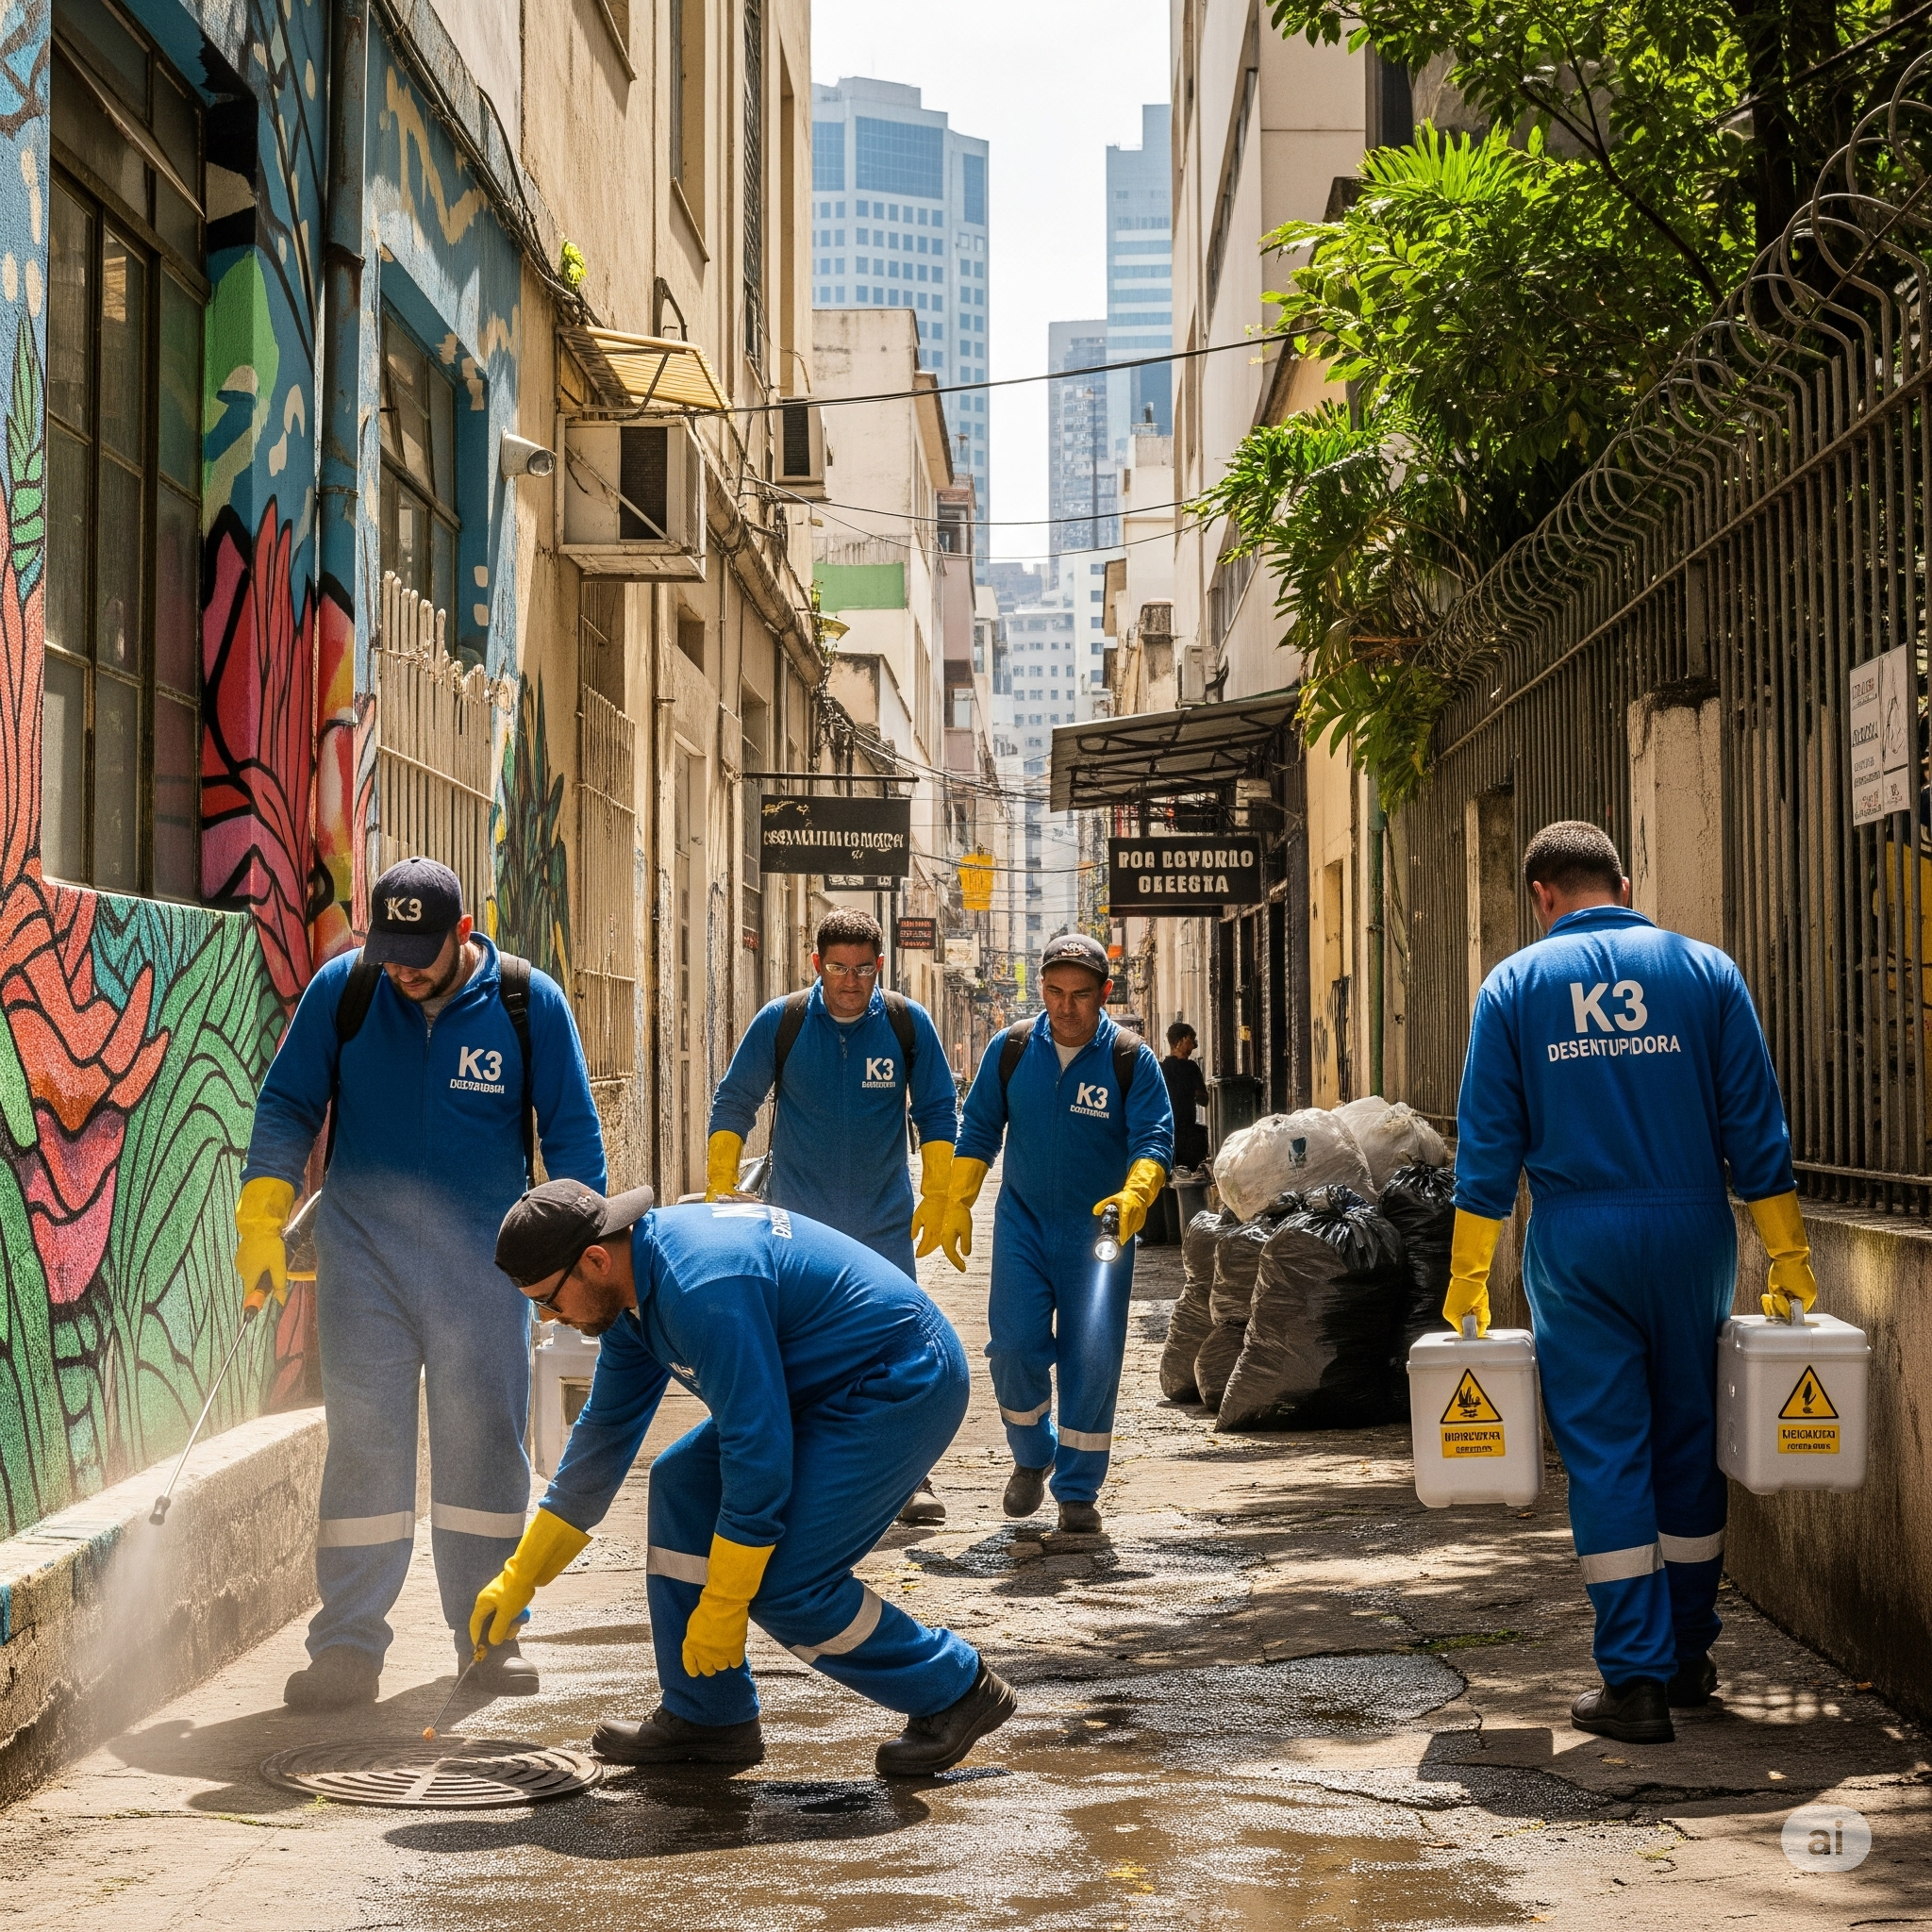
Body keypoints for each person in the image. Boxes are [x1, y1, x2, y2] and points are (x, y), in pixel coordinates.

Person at [1445, 821, 1816, 1746]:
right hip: (1694, 1233)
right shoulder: (1704, 973)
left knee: (1607, 1450)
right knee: (1688, 1437)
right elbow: (1755, 1131)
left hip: (1576, 1243)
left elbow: (1485, 1153)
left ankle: (1635, 1679)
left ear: (1540, 896)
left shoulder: (1513, 988)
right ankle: (1690, 1654)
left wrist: (1465, 1279)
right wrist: (1787, 1255)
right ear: (1623, 878)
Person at [475, 1182, 1018, 1776]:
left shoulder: (701, 1288)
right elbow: (601, 1442)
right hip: (818, 1386)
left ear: (595, 1260)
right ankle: (709, 1713)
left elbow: (756, 1454)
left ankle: (955, 1690)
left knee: (785, 1583)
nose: (551, 1318)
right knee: (681, 1481)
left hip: (901, 1379)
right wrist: (520, 1577)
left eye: (549, 1301)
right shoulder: (631, 1296)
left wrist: (727, 1602)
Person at [238, 858, 606, 1708]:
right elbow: (289, 1102)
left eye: (419, 953)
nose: (401, 969)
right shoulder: (349, 990)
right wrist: (263, 1213)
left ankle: (489, 1634)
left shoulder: (526, 1003)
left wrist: (578, 1260)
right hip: (364, 1262)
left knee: (483, 1446)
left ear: (463, 933)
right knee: (364, 1445)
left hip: (484, 1267)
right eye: (388, 948)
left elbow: (574, 1138)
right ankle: (347, 1646)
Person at [707, 907, 959, 1525]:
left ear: (880, 968)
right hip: (800, 1232)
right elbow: (735, 1102)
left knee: (899, 1352)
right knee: (797, 1354)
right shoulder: (783, 1023)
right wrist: (719, 1183)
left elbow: (937, 1110)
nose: (850, 981)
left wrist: (942, 1192)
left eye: (864, 970)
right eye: (839, 968)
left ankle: (910, 1478)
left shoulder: (906, 1025)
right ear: (817, 965)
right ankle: (794, 1478)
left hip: (883, 1227)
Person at [930, 932, 1173, 1536]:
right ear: (1041, 988)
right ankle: (1032, 1454)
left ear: (1104, 995)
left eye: (1081, 995)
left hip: (1101, 1235)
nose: (1066, 1007)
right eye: (1055, 992)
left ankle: (1077, 1489)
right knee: (1012, 1347)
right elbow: (980, 1128)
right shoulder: (1011, 1049)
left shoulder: (1129, 1058)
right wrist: (956, 1199)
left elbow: (1155, 1139)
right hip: (1023, 1227)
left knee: (1093, 1357)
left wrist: (1136, 1193)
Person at [1155, 1023, 1210, 1243]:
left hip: (1167, 1130)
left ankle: (1171, 1233)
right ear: (1182, 1040)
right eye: (1192, 1038)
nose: (1194, 1044)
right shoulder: (1191, 1069)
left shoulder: (1161, 1068)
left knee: (1168, 1178)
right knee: (1186, 1179)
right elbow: (1203, 1100)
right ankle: (1187, 1229)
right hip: (1184, 1132)